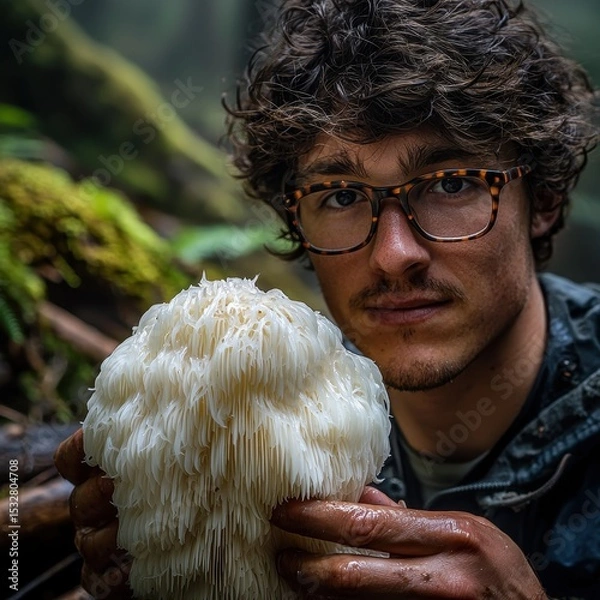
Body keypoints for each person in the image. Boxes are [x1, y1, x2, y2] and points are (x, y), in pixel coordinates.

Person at [55, 0, 600, 597]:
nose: (395, 253)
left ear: (543, 200)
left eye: (450, 183)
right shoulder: (255, 407)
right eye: (341, 195)